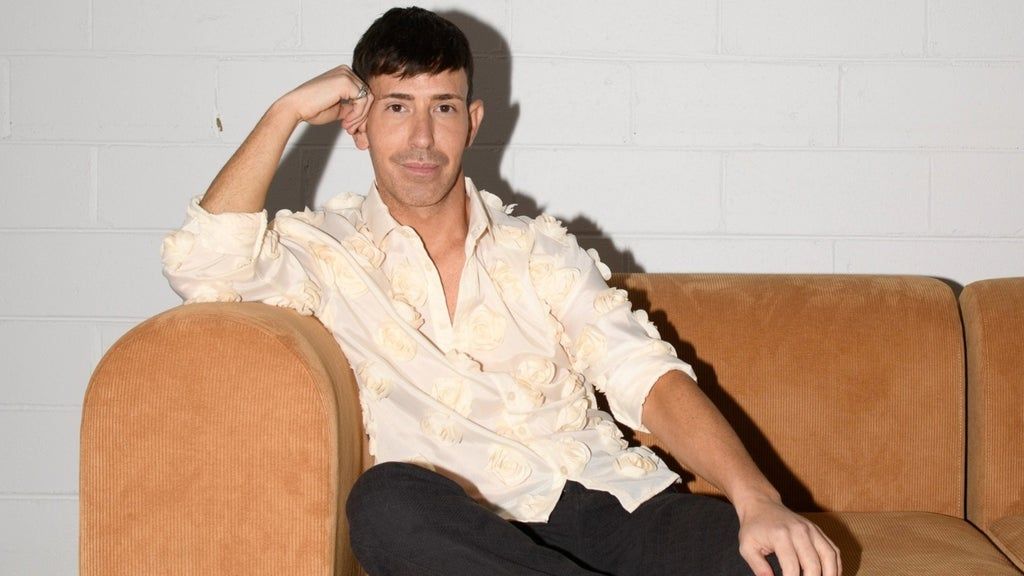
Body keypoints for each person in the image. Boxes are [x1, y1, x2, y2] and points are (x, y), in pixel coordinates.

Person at [161, 6, 841, 576]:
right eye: (396, 107)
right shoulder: (323, 253)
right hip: (461, 531)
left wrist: (756, 499)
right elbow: (201, 264)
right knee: (383, 503)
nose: (422, 137)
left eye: (443, 107)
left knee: (771, 558)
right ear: (357, 124)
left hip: (607, 503)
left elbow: (645, 375)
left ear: (474, 121)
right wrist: (283, 112)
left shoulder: (540, 250)